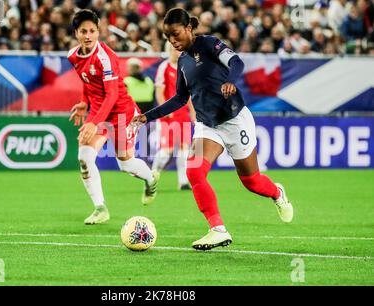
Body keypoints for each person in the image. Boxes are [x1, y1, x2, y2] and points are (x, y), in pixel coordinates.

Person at [132, 8, 293, 250]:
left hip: (234, 120)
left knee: (252, 181)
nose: (172, 41)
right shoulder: (183, 62)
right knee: (194, 172)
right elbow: (179, 98)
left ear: (188, 28)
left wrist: (230, 81)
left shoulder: (209, 44)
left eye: (175, 34)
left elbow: (236, 62)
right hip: (208, 125)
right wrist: (148, 116)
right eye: (167, 37)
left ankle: (277, 193)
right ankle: (218, 229)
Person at [68, 9, 159, 225]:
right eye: (83, 31)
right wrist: (83, 102)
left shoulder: (105, 57)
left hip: (122, 113)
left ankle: (150, 178)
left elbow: (112, 95)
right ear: (76, 33)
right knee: (84, 157)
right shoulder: (73, 56)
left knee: (125, 164)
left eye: (92, 31)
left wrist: (93, 121)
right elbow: (86, 80)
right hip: (99, 113)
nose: (88, 35)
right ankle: (100, 208)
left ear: (98, 32)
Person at [152, 41, 196, 190]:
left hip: (182, 116)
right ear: (169, 50)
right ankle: (152, 175)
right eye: (174, 49)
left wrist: (192, 112)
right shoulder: (164, 67)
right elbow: (159, 90)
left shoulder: (186, 68)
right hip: (168, 117)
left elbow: (189, 94)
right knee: (166, 152)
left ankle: (183, 182)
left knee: (184, 151)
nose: (177, 52)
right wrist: (165, 109)